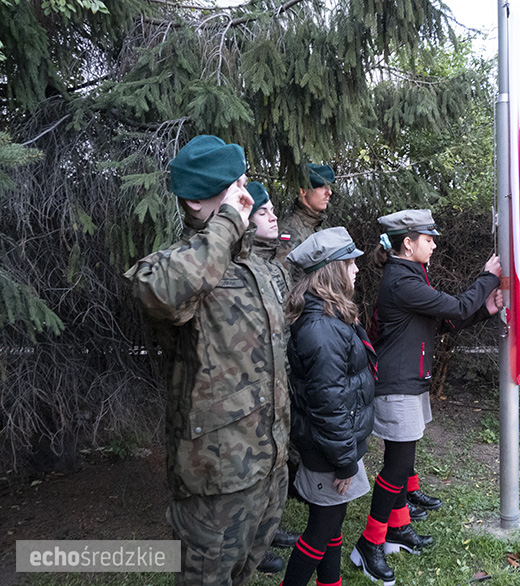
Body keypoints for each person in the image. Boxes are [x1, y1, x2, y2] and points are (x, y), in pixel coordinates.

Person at [124, 135, 290, 586]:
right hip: (216, 479)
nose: (246, 195)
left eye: (245, 182)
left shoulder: (252, 266)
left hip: (268, 467)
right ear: (195, 200)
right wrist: (228, 223)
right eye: (233, 187)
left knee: (244, 573)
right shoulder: (175, 267)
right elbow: (160, 290)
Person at [351, 209, 502, 585]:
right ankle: (368, 545)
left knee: (403, 461)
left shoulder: (411, 275)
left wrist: (488, 308)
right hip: (397, 385)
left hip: (410, 382)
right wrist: (488, 277)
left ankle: (398, 528)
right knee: (397, 467)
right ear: (408, 242)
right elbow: (456, 306)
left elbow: (451, 319)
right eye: (428, 238)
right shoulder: (402, 281)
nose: (434, 244)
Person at [279, 227, 377, 586]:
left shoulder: (333, 317)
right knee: (319, 532)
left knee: (333, 524)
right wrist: (344, 460)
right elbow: (328, 404)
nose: (356, 270)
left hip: (336, 447)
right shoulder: (321, 329)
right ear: (333, 270)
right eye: (350, 263)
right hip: (328, 451)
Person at [245, 181, 300, 574]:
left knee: (275, 466)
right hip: (252, 391)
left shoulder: (274, 265)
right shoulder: (241, 266)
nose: (273, 216)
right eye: (263, 213)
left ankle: (268, 530)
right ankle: (251, 544)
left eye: (271, 211)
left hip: (279, 384)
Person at [275, 163, 334, 281]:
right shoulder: (289, 231)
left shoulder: (316, 227)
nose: (329, 193)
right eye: (321, 187)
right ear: (303, 191)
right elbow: (282, 283)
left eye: (329, 187)